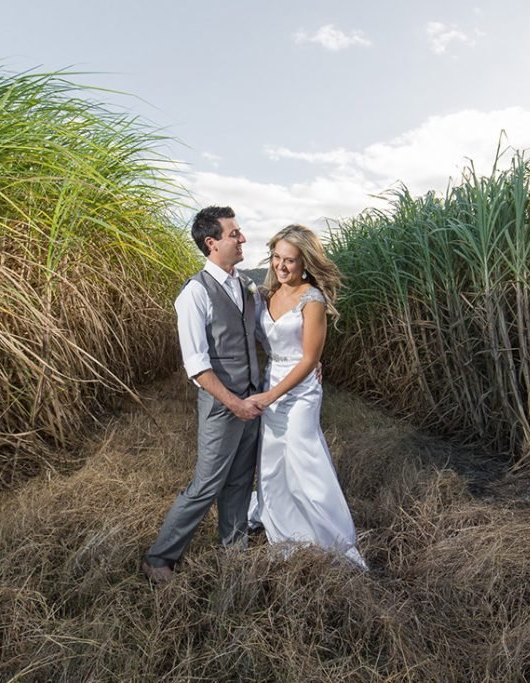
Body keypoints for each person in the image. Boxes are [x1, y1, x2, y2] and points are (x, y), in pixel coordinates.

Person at [142, 206, 264, 584]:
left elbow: (260, 334)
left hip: (251, 401)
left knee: (242, 480)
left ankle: (233, 551)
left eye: (239, 232)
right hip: (223, 405)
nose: (242, 239)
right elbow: (196, 364)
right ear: (211, 243)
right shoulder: (195, 293)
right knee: (206, 485)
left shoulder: (245, 284)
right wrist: (234, 403)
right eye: (234, 234)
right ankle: (159, 558)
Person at [248, 224, 366, 568]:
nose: (281, 267)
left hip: (298, 390)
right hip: (272, 377)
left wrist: (270, 396)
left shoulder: (312, 300)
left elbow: (310, 359)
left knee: (304, 457)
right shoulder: (265, 295)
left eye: (290, 261)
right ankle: (284, 526)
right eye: (276, 257)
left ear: (305, 263)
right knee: (271, 460)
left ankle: (330, 536)